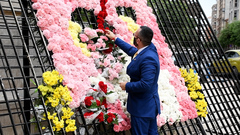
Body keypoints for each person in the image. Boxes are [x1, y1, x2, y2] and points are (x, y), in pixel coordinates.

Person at [105, 26, 161, 135]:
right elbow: (133, 51)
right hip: (147, 106)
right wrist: (115, 38)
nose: (133, 38)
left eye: (134, 36)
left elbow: (146, 84)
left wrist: (127, 86)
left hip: (143, 108)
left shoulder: (148, 58)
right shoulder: (147, 49)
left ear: (138, 40)